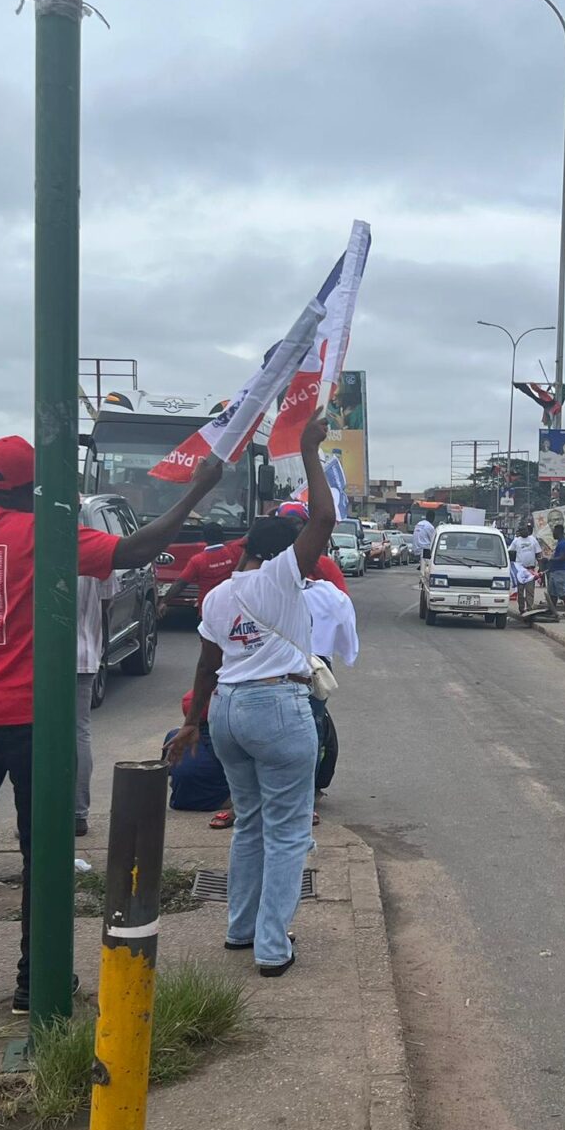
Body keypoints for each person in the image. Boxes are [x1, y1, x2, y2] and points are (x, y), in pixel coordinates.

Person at [0, 436, 225, 1011]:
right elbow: (138, 549)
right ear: (33, 487)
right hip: (37, 724)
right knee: (43, 853)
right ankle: (32, 984)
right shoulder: (51, 536)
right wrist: (197, 491)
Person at [167, 415, 335, 978]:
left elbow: (207, 663)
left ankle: (240, 929)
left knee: (250, 824)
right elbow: (324, 517)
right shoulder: (283, 577)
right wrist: (311, 451)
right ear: (286, 554)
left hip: (227, 713)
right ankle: (271, 946)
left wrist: (193, 723)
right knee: (289, 832)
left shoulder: (218, 595)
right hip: (278, 709)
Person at [74, 566, 110, 837]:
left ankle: (38, 810)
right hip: (85, 654)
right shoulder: (96, 550)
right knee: (79, 734)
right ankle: (77, 814)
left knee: (38, 735)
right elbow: (107, 601)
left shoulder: (34, 545)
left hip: (42, 658)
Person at [510, 521, 541, 613]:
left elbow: (538, 553)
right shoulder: (516, 541)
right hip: (520, 570)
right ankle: (522, 608)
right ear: (520, 532)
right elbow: (510, 552)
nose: (525, 532)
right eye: (523, 530)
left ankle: (530, 608)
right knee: (520, 591)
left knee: (530, 591)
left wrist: (540, 568)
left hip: (530, 569)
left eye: (526, 530)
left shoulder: (533, 540)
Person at [544, 523, 565, 616]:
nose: (553, 534)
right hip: (554, 571)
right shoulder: (559, 543)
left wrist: (550, 559)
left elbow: (563, 557)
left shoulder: (564, 543)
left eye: (554, 532)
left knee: (562, 592)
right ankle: (552, 610)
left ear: (559, 532)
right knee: (552, 593)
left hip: (560, 571)